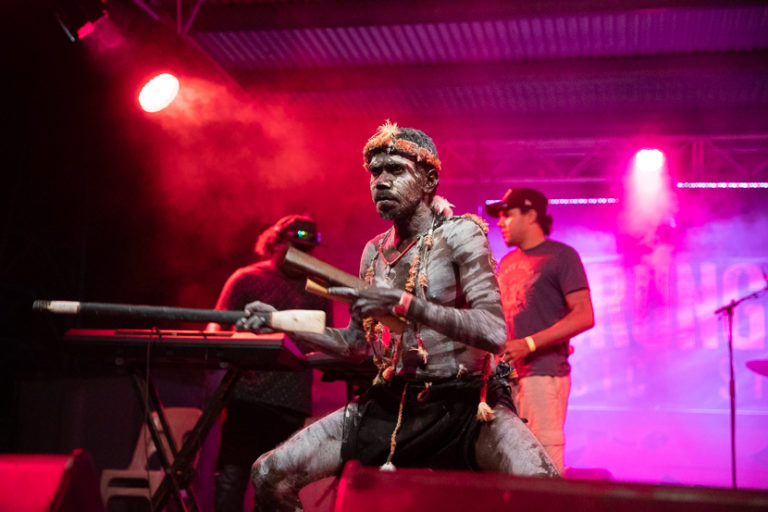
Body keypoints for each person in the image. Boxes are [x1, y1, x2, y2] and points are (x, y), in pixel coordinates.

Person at [239, 121, 558, 511]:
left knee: (549, 495)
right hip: (394, 402)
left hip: (466, 404)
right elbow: (356, 346)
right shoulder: (373, 252)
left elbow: (493, 331)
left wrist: (404, 304)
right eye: (375, 172)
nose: (381, 182)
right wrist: (279, 321)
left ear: (428, 180)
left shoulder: (460, 234)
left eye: (395, 170)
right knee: (269, 474)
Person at [206, 214, 333, 512]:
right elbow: (215, 326)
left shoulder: (318, 288)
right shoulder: (246, 278)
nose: (303, 255)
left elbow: (327, 338)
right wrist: (229, 352)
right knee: (231, 478)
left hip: (291, 403)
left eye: (307, 250)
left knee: (276, 488)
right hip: (246, 397)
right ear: (275, 243)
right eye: (296, 248)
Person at [486, 187, 595, 474]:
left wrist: (530, 344)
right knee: (511, 460)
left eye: (507, 215)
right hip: (507, 377)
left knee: (543, 461)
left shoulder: (561, 256)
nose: (500, 222)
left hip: (543, 374)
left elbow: (584, 315)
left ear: (531, 215)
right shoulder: (507, 262)